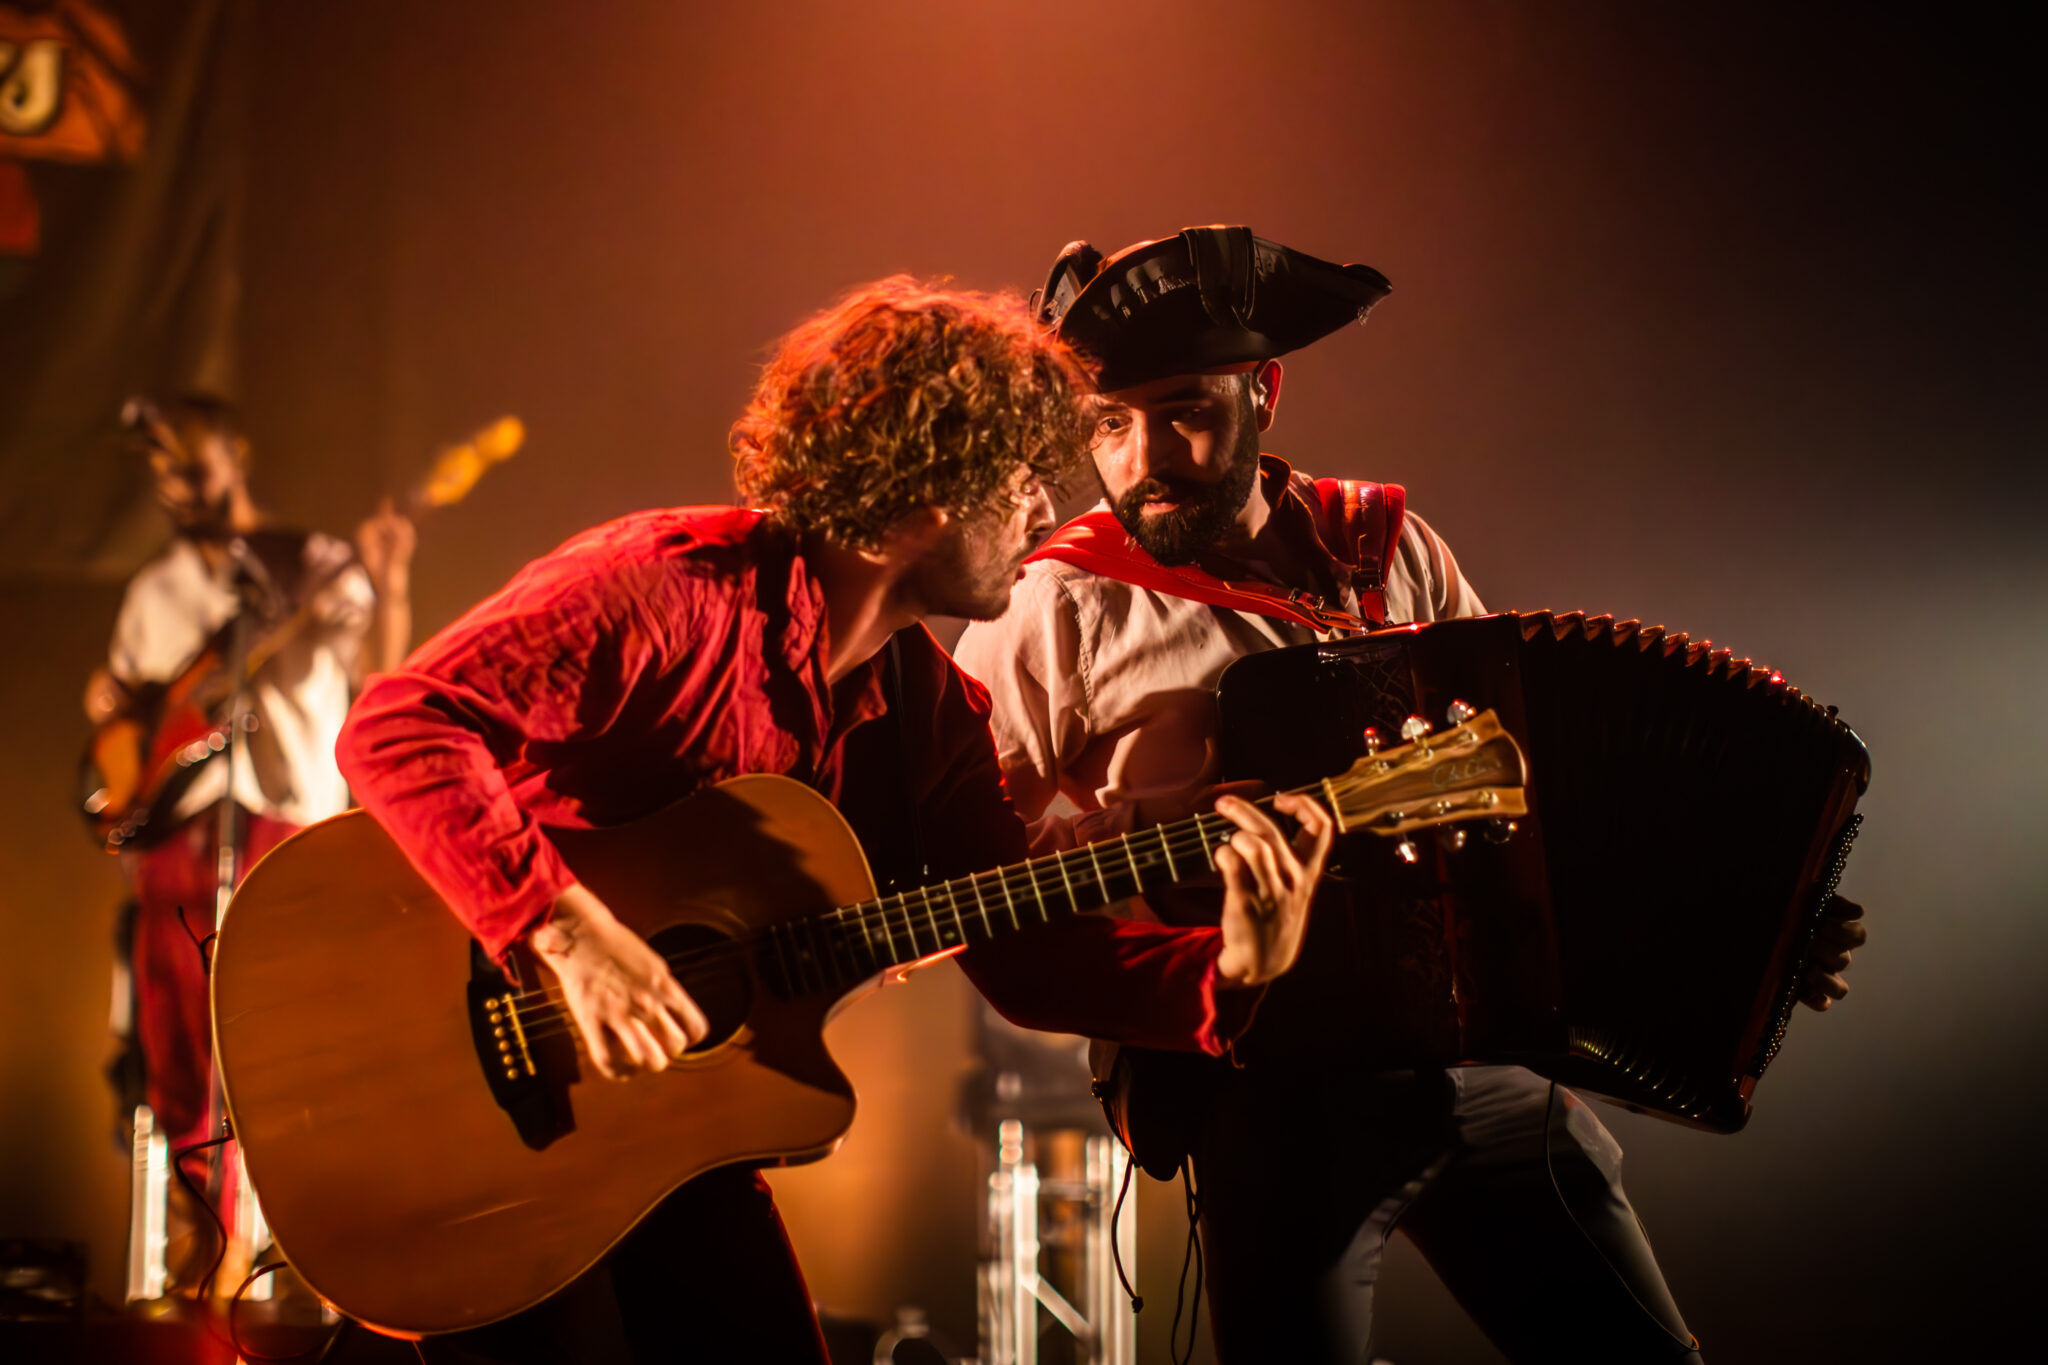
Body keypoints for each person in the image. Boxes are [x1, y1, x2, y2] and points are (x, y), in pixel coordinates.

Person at [333, 277, 1335, 1364]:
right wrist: (568, 937)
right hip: (471, 1116)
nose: (1041, 514)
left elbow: (1029, 951)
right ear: (928, 496)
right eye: (1014, 480)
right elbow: (397, 725)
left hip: (674, 1143)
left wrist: (1225, 975)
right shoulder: (670, 587)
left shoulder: (932, 715)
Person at [952, 227, 1868, 1363]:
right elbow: (972, 852)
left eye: (1184, 409)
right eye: (1108, 424)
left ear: (1263, 393)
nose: (1145, 458)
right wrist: (1163, 840)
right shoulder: (1051, 605)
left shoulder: (1386, 552)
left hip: (1479, 1073)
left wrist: (1742, 923)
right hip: (1261, 1088)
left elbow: (1530, 782)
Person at [87, 393, 414, 1291]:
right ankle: (201, 1247)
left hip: (287, 821)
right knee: (179, 1046)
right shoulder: (153, 589)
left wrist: (390, 581)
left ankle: (311, 1251)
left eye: (191, 465)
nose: (176, 486)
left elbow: (382, 673)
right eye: (161, 472)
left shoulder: (313, 564)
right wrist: (123, 750)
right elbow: (117, 707)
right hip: (181, 837)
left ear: (237, 455)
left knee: (286, 1045)